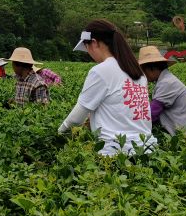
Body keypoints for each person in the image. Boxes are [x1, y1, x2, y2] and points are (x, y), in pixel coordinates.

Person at [58, 20, 157, 156]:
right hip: (147, 150)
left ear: (94, 43)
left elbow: (76, 119)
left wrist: (58, 133)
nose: (89, 54)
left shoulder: (101, 71)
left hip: (116, 154)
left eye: (87, 48)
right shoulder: (138, 73)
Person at [138, 46, 186, 136]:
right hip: (183, 136)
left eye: (143, 71)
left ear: (151, 68)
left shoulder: (167, 83)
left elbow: (151, 114)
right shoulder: (165, 80)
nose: (144, 75)